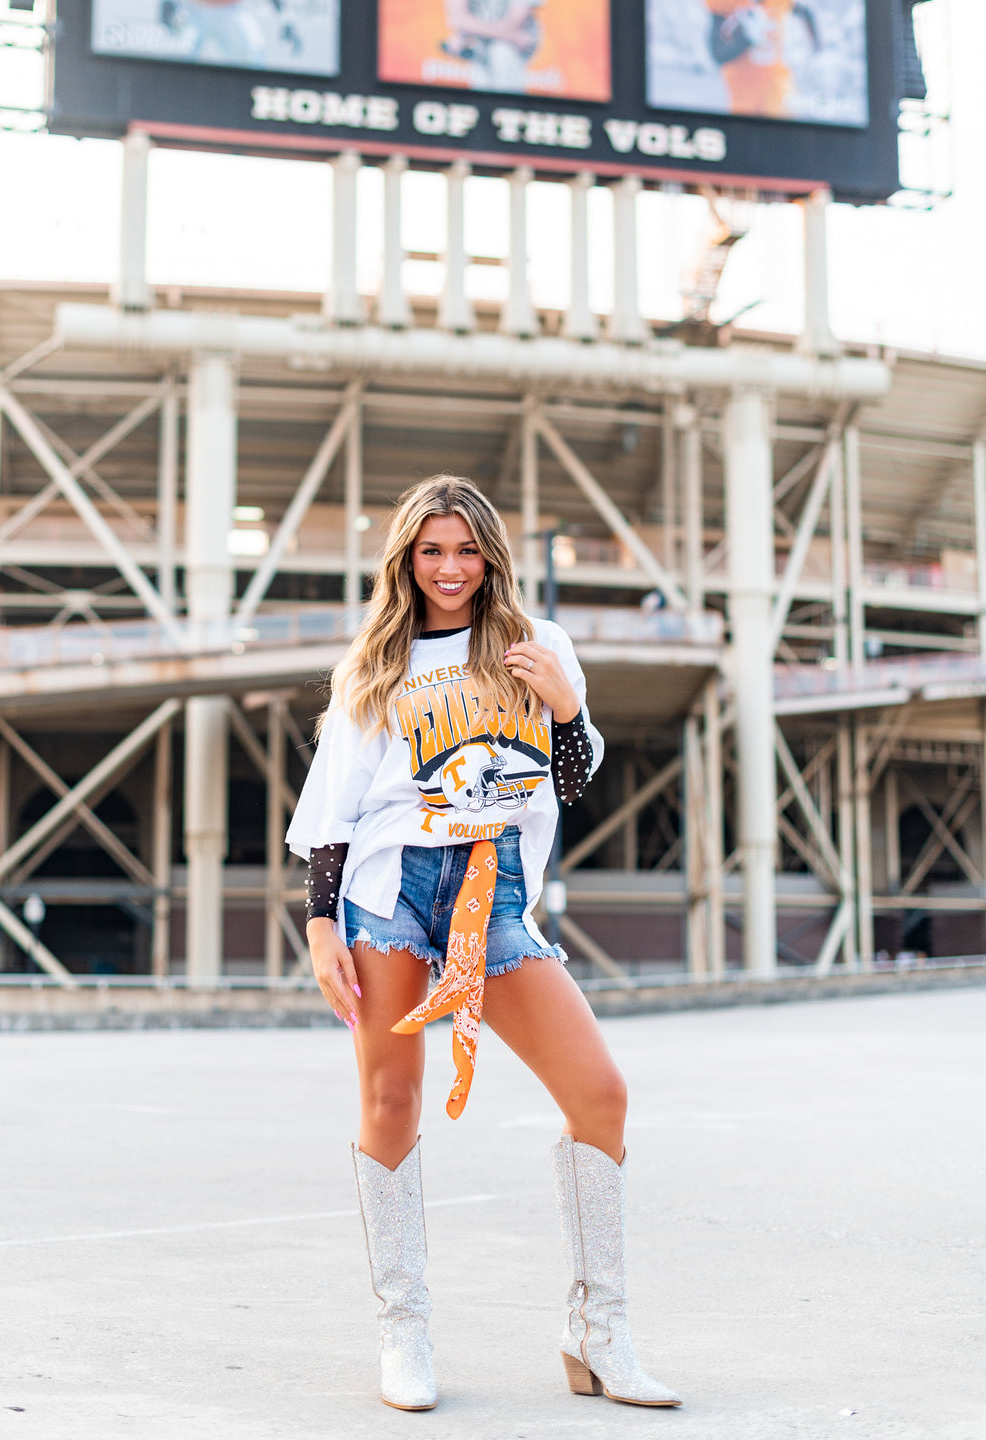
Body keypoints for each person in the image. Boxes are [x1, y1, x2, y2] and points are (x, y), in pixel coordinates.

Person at [286, 475, 681, 1412]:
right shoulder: (372, 666)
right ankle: (404, 1332)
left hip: (493, 889)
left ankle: (600, 1332)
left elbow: (572, 779)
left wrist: (568, 706)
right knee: (391, 1097)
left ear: (491, 555)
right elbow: (335, 810)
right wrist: (318, 924)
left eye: (466, 550)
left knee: (601, 1094)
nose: (451, 569)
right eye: (432, 551)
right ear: (406, 561)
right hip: (390, 891)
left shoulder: (534, 645)